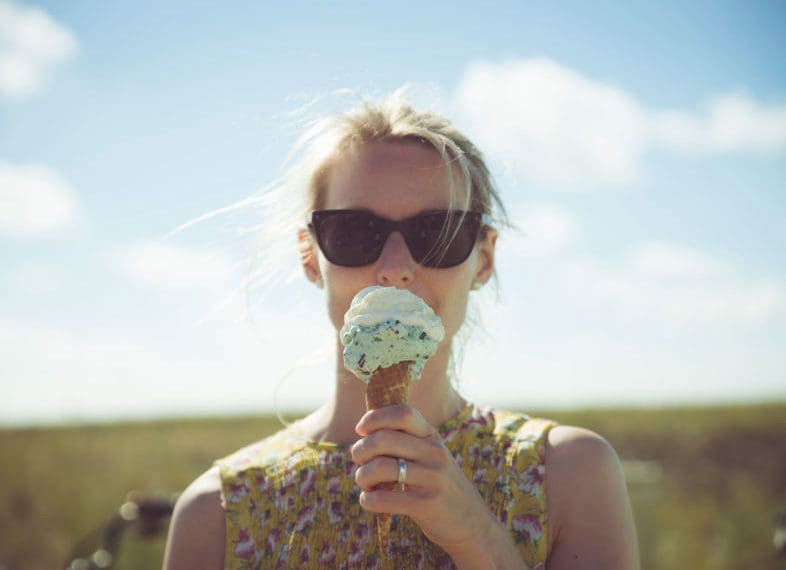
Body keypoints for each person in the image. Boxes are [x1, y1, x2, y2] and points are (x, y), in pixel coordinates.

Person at [162, 92, 640, 570]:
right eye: (353, 232)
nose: (394, 268)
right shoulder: (217, 513)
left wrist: (478, 538)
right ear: (311, 257)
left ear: (484, 259)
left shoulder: (569, 475)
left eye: (438, 233)